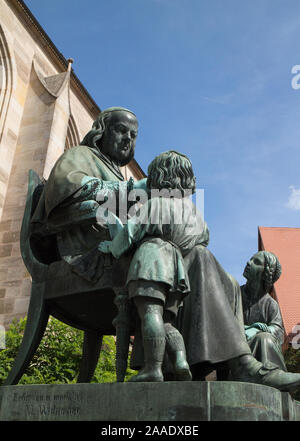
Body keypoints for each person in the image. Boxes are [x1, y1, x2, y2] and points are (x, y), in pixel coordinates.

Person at [99, 150, 209, 382]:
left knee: (150, 314)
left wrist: (112, 247)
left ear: (159, 177)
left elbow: (131, 232)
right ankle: (180, 360)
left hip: (152, 261)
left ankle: (153, 368)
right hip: (178, 270)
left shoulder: (157, 203)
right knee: (166, 321)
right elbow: (204, 240)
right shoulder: (196, 214)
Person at [31, 106, 146, 282]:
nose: (127, 139)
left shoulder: (118, 174)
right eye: (121, 131)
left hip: (113, 239)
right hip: (82, 248)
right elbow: (67, 184)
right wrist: (129, 190)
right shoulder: (80, 154)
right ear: (103, 130)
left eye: (133, 135)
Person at [241, 251, 287, 371]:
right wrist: (247, 328)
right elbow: (224, 322)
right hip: (236, 348)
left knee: (264, 338)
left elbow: (278, 331)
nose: (248, 263)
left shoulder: (270, 304)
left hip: (258, 351)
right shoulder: (235, 294)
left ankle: (270, 373)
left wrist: (257, 330)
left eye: (256, 262)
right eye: (251, 259)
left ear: (265, 274)